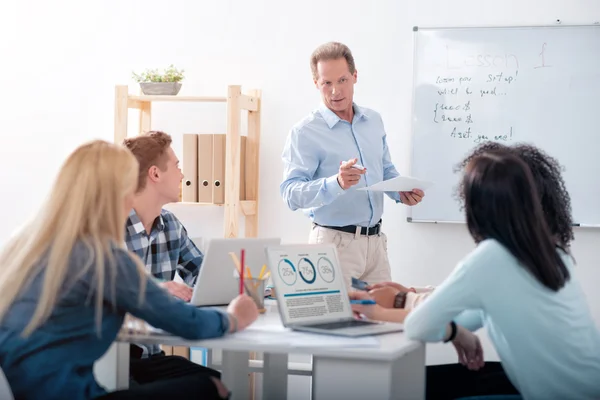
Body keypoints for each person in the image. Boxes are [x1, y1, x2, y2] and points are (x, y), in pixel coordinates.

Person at [0, 140, 259, 400]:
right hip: (74, 393)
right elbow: (186, 323)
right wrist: (235, 318)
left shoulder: (27, 247)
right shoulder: (101, 258)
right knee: (212, 388)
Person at [401, 150, 600, 399]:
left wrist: (454, 332)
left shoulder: (492, 257)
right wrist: (437, 308)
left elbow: (417, 327)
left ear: (475, 205)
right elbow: (472, 316)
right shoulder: (551, 252)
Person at [353, 142, 576, 321]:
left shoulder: (495, 256)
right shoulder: (552, 255)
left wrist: (397, 301)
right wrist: (410, 292)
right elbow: (470, 306)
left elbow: (438, 321)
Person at [280, 41, 424, 288]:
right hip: (333, 246)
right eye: (327, 83)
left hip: (376, 246)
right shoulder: (305, 132)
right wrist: (335, 183)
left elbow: (385, 170)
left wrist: (400, 192)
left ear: (355, 76)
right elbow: (290, 193)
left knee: (382, 321)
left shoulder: (373, 121)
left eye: (342, 80)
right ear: (316, 83)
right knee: (333, 324)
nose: (335, 90)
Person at [122, 131, 222, 387]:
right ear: (155, 174)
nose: (183, 175)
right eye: (177, 166)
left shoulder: (170, 226)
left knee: (215, 381)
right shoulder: (110, 228)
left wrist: (239, 286)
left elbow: (202, 274)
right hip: (112, 358)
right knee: (206, 388)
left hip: (150, 357)